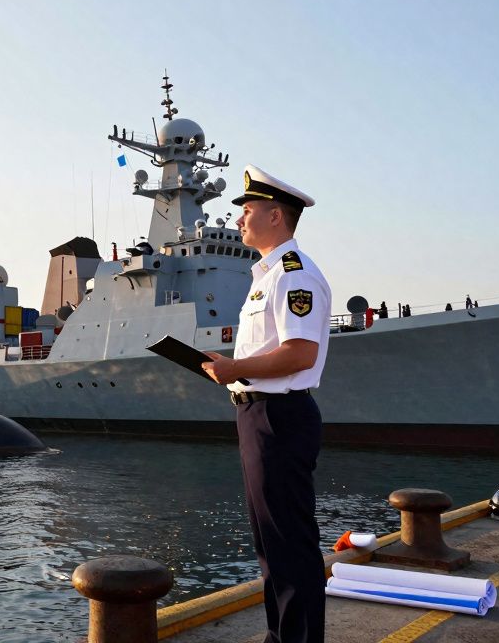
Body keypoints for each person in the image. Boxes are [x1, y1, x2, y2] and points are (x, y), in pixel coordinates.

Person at [201, 164, 330, 642]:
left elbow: (300, 354)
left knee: (289, 542)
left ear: (276, 216)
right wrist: (234, 371)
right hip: (258, 414)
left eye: (248, 210)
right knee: (270, 544)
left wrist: (235, 367)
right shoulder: (267, 276)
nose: (239, 219)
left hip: (279, 416)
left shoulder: (294, 275)